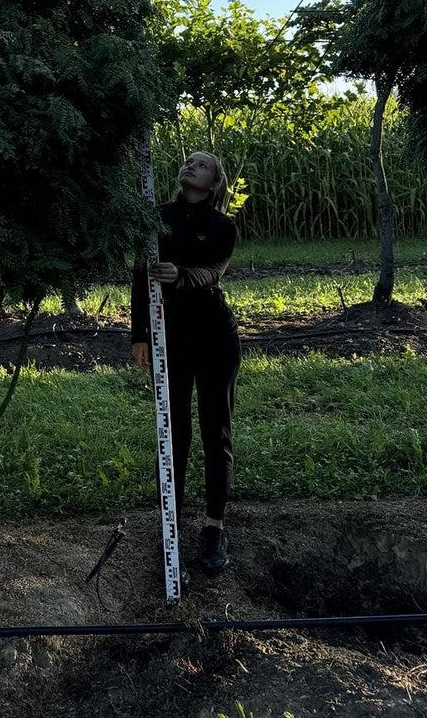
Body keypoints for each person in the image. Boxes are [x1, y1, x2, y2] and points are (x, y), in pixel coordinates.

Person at [130, 150, 241, 577]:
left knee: (216, 432)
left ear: (213, 183)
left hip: (215, 338)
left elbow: (214, 272)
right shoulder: (157, 217)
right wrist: (140, 333)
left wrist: (181, 274)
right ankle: (171, 525)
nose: (191, 165)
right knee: (172, 432)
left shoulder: (222, 226)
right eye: (188, 161)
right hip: (168, 340)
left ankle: (214, 528)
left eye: (203, 164)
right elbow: (141, 275)